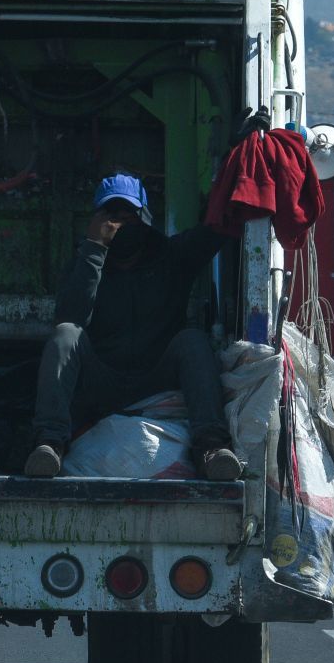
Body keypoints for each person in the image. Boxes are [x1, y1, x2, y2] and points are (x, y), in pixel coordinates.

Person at [24, 173, 242, 482]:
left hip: (155, 377)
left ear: (144, 218)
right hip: (102, 380)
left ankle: (211, 447)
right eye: (112, 216)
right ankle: (49, 444)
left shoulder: (171, 256)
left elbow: (218, 229)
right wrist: (95, 249)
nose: (121, 224)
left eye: (130, 215)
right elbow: (71, 316)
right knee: (65, 335)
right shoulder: (84, 262)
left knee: (192, 340)